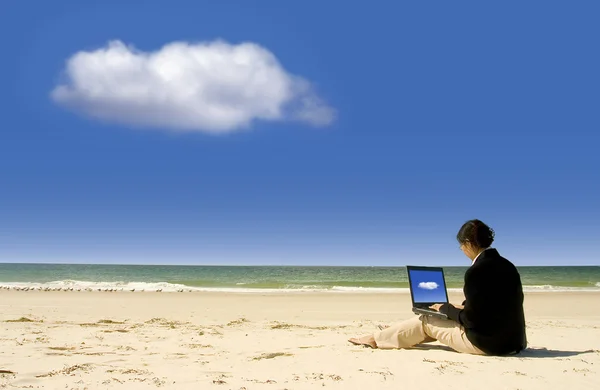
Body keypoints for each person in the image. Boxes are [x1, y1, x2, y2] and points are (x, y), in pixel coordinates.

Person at [348, 219, 527, 356]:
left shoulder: (476, 270)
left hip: (489, 345)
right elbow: (496, 304)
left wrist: (446, 309)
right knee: (440, 317)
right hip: (514, 342)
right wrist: (461, 307)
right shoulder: (507, 265)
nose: (463, 250)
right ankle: (390, 334)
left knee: (426, 320)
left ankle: (375, 339)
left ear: (468, 243)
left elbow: (472, 320)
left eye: (461, 246)